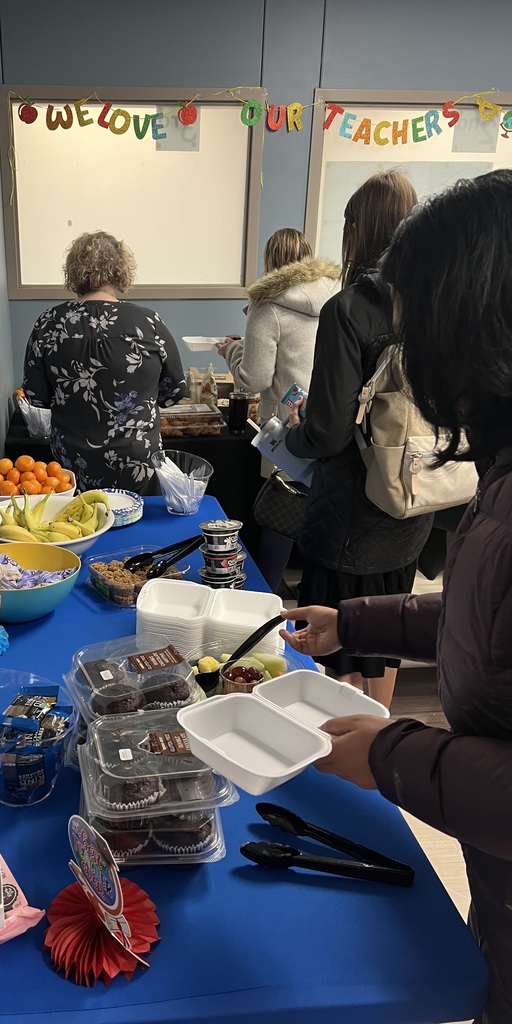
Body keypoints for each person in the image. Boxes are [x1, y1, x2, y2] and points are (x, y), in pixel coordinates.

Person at [280, 169, 512, 1024]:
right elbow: (484, 622)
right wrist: (356, 622)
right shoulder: (498, 467)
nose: (409, 359)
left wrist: (390, 756)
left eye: (419, 329)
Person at [282, 170, 433, 707]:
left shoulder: (348, 309)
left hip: (349, 515)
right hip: (412, 502)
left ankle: (341, 755)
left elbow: (325, 432)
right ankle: (379, 734)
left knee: (337, 645)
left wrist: (289, 435)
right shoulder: (433, 304)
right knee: (386, 637)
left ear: (356, 232)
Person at [216, 228, 340, 592]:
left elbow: (254, 379)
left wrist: (231, 352)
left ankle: (266, 595)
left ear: (270, 264)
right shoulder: (336, 296)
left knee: (280, 513)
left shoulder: (266, 305)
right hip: (330, 418)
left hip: (285, 426)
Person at [22, 230, 186, 493]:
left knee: (81, 527)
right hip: (137, 461)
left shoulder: (49, 323)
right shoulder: (148, 323)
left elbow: (36, 397)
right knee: (139, 528)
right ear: (121, 271)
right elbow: (174, 392)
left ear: (73, 271)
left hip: (70, 466)